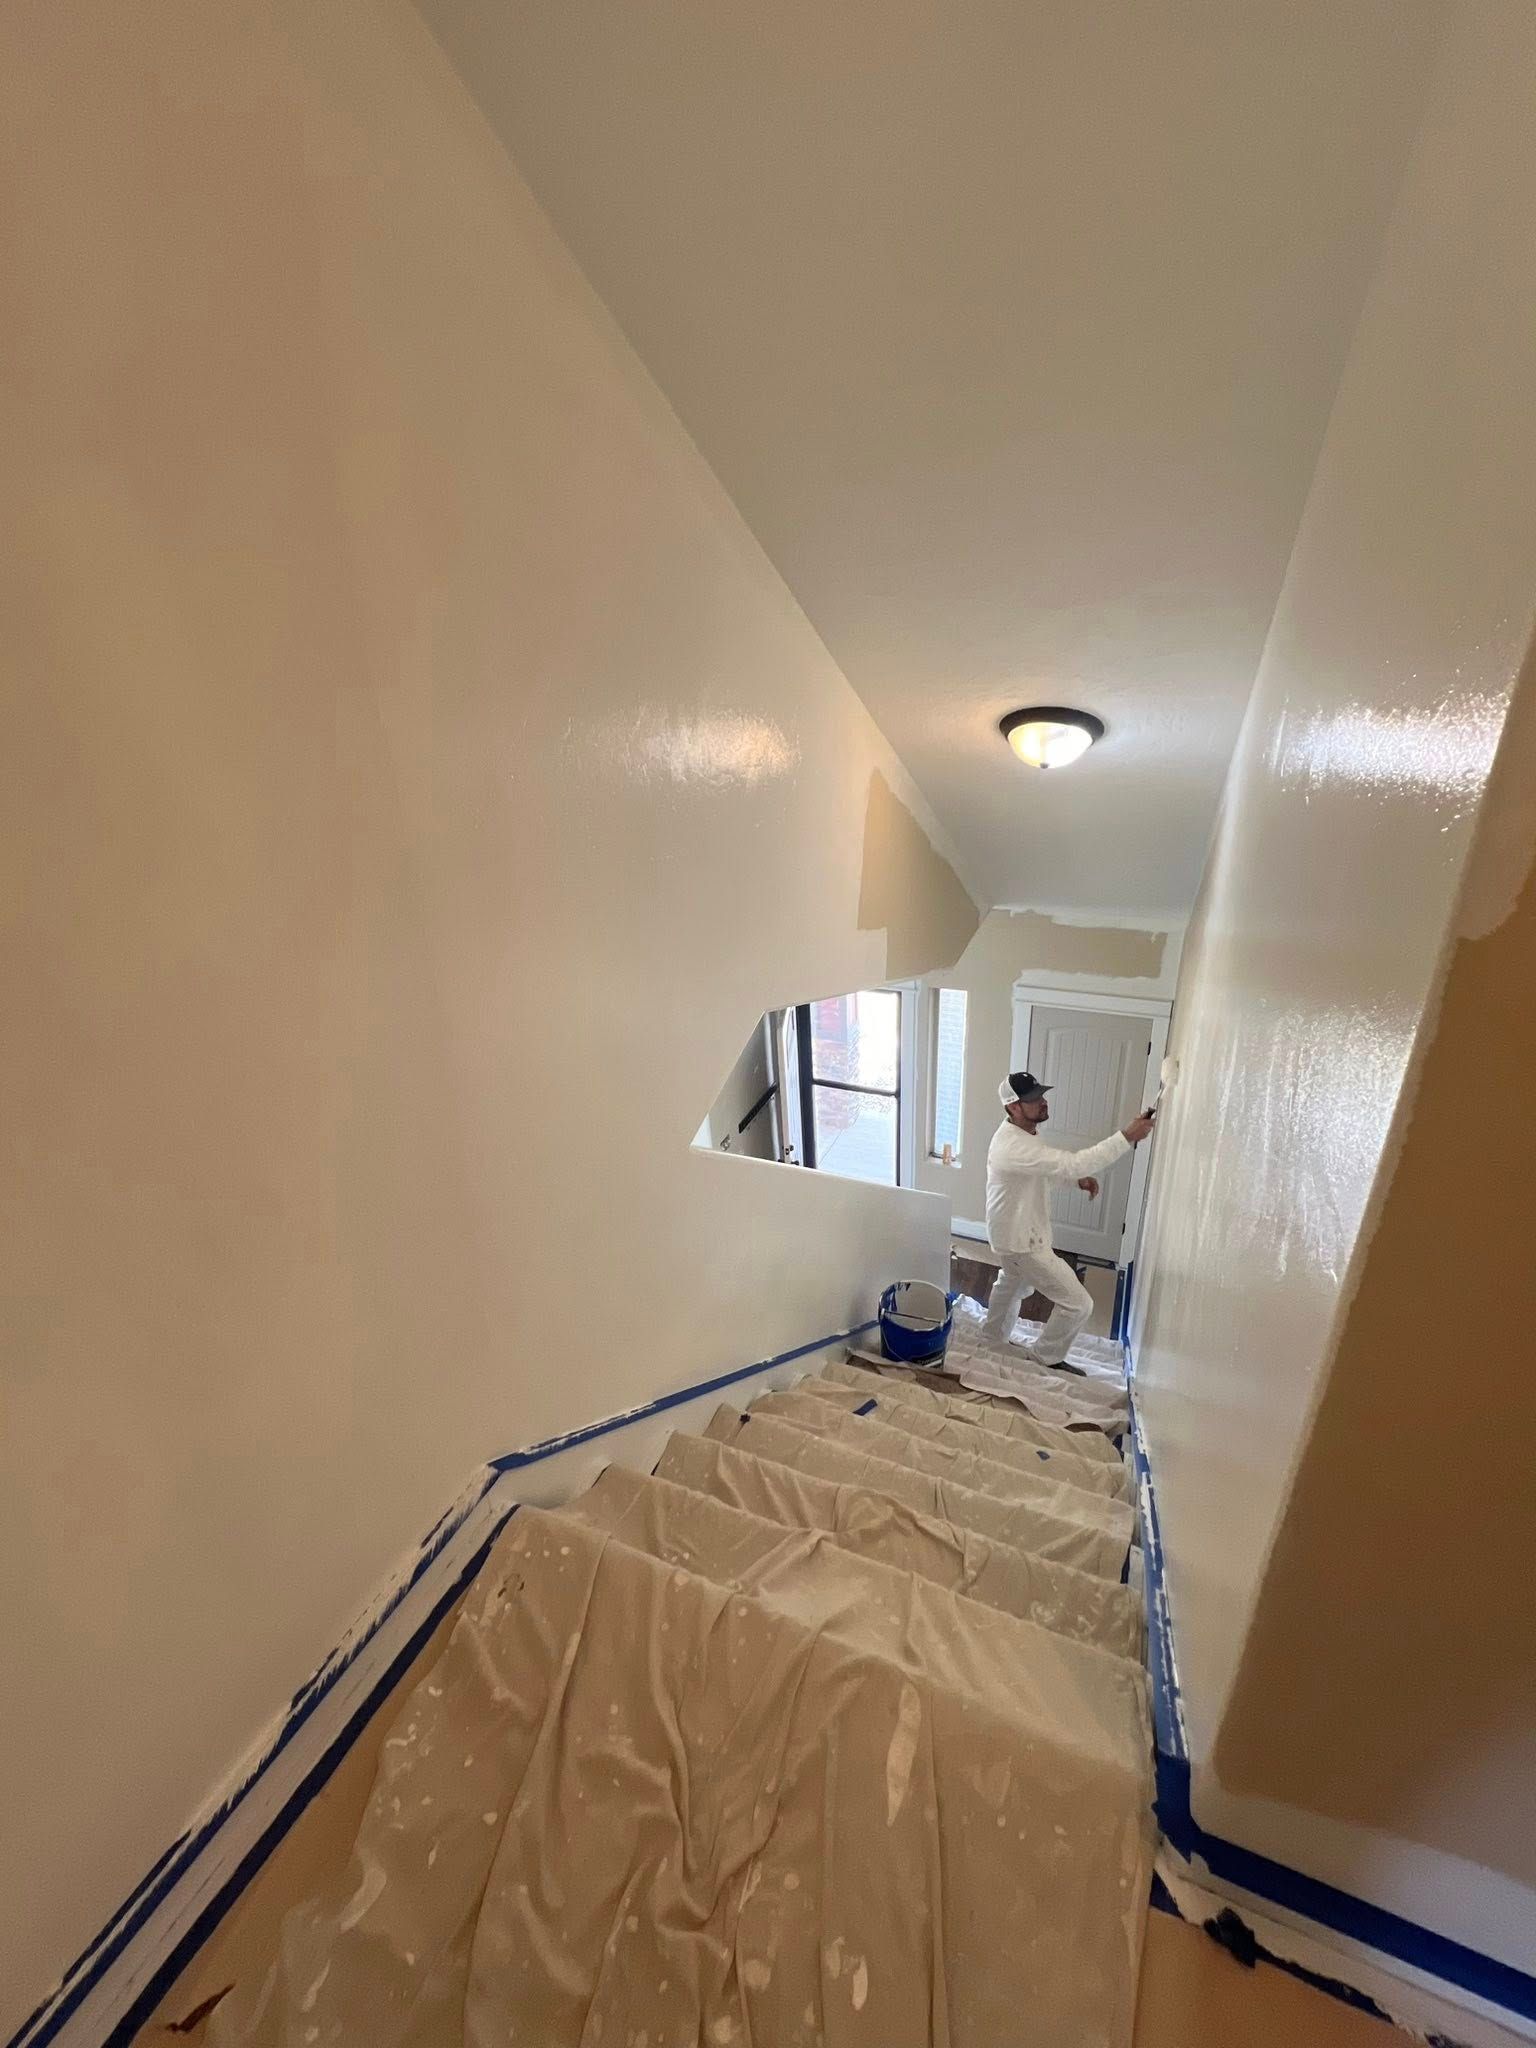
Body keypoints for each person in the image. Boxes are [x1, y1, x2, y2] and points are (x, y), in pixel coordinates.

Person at [981, 1071, 1156, 1363]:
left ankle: (990, 1339)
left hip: (1011, 1231)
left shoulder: (1025, 1133)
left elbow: (1043, 1172)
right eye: (1033, 1099)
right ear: (1013, 1107)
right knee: (1078, 1304)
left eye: (1041, 1095)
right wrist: (1126, 1137)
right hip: (1019, 1239)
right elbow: (1071, 1164)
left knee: (1013, 1284)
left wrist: (1076, 1181)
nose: (1042, 1102)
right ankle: (1044, 1359)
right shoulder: (1012, 1145)